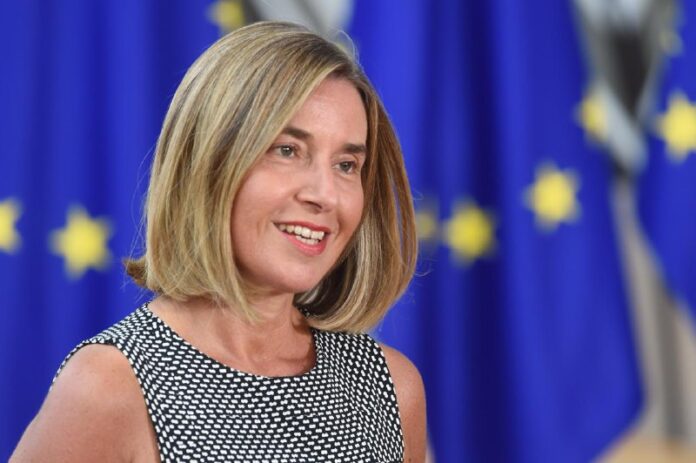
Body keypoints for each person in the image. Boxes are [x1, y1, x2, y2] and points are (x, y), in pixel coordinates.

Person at [11, 21, 426, 462]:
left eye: (346, 165)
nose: (325, 195)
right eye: (287, 150)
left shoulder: (390, 387)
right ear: (208, 161)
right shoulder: (109, 386)